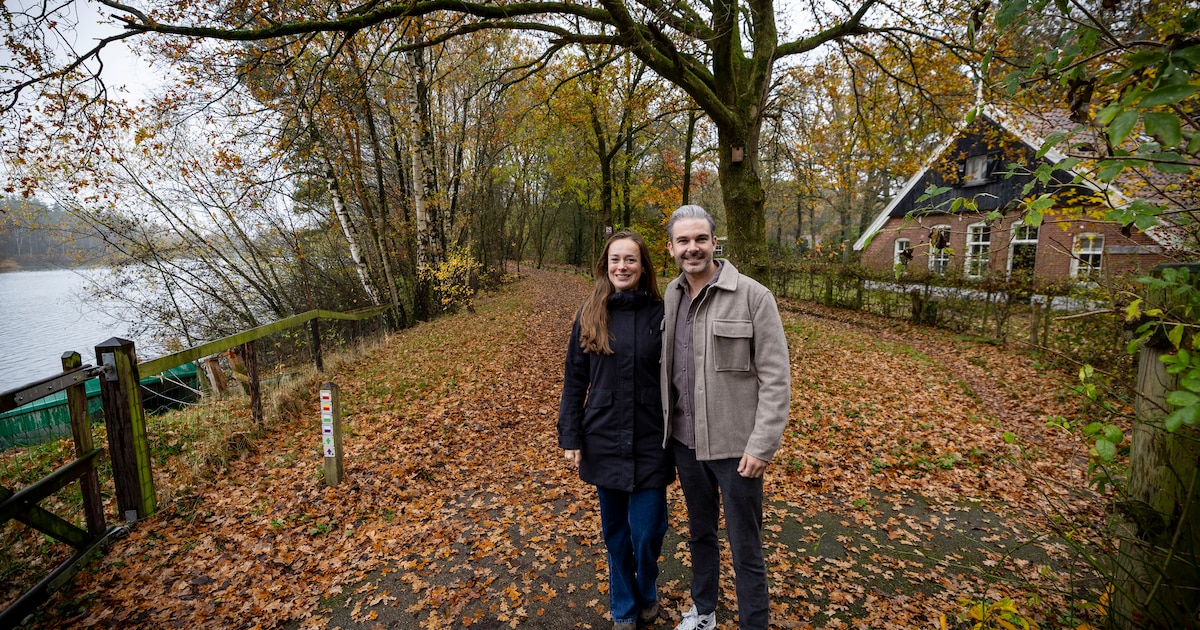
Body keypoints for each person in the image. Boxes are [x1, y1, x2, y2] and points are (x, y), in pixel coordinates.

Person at [660, 205, 791, 630]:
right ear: (671, 248)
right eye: (684, 241)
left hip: (738, 450)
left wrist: (762, 445)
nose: (692, 248)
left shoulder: (753, 296)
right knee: (700, 535)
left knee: (745, 546)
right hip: (685, 442)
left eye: (700, 239)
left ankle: (754, 624)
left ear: (715, 242)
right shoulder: (671, 296)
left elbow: (775, 378)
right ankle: (704, 612)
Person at [558, 230, 674, 630]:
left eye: (630, 260)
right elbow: (575, 380)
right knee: (616, 535)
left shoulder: (663, 314)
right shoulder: (590, 313)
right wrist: (570, 436)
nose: (622, 267)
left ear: (643, 267)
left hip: (650, 439)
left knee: (647, 533)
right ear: (605, 266)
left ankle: (648, 588)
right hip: (604, 437)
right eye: (615, 260)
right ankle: (624, 605)